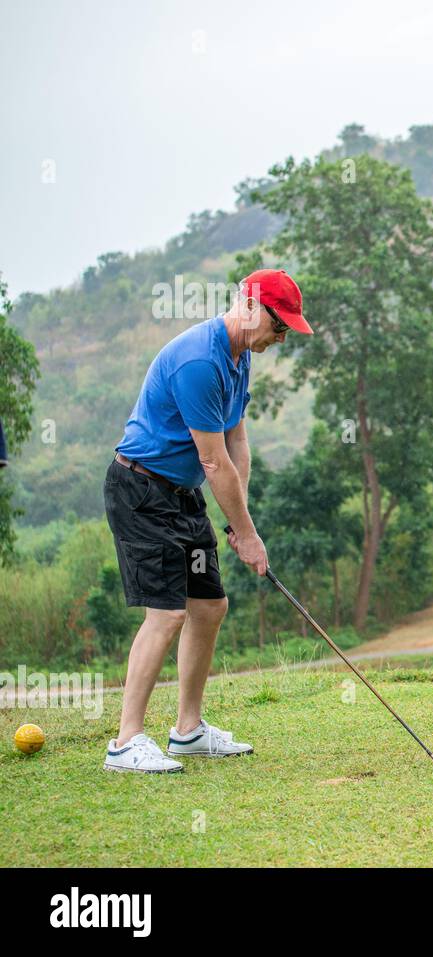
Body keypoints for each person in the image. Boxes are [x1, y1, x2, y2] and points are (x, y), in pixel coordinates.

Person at [102, 269, 312, 772]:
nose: (281, 338)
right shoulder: (200, 360)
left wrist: (244, 524)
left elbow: (237, 443)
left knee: (210, 605)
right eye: (280, 327)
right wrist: (245, 533)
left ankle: (188, 731)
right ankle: (125, 742)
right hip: (141, 490)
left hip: (182, 494)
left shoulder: (238, 360)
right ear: (253, 308)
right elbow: (214, 461)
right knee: (167, 612)